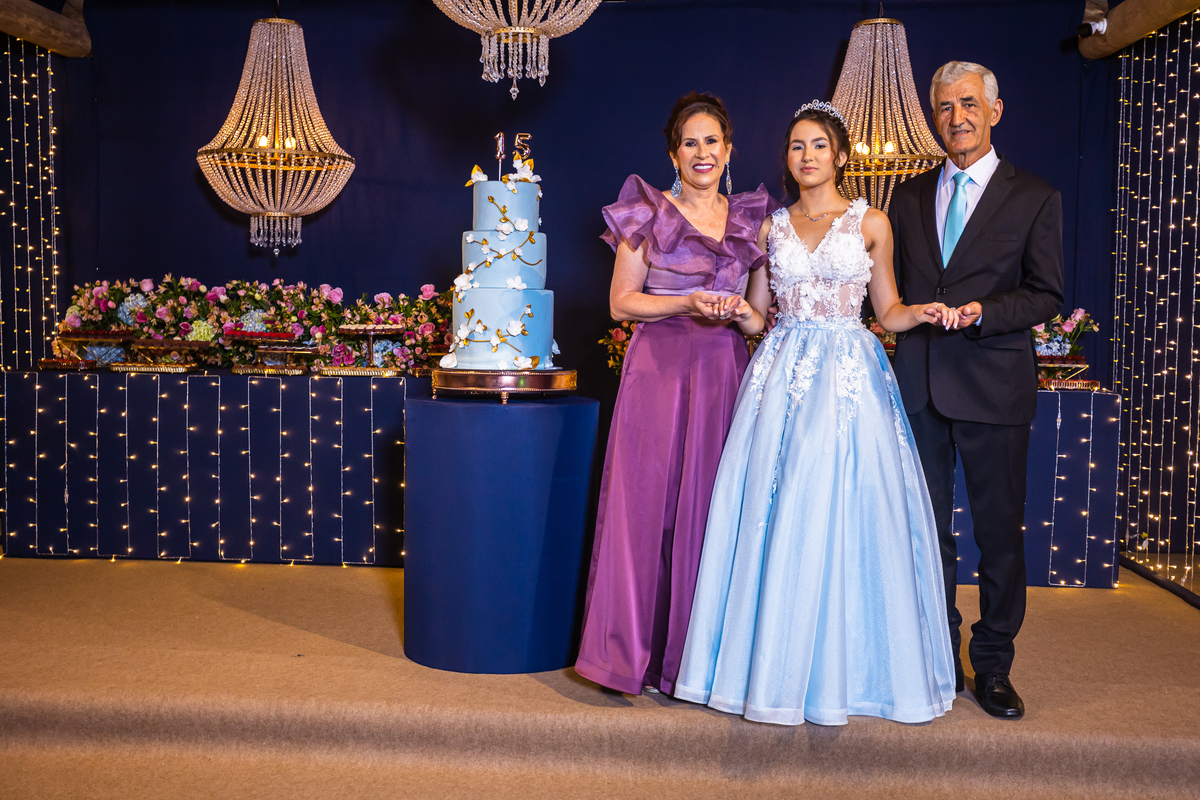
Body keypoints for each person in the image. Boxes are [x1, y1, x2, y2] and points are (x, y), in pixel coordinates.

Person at [673, 101, 958, 726]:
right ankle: (772, 666)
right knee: (779, 505)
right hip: (781, 371)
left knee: (851, 505)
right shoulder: (769, 227)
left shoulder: (871, 222)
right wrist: (722, 308)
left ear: (839, 154)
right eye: (797, 146)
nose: (807, 157)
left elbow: (886, 310)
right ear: (787, 159)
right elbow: (757, 312)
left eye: (819, 146)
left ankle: (855, 672)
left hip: (850, 373)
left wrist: (925, 313)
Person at [574, 92, 777, 696]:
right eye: (690, 142)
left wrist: (739, 310)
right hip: (658, 370)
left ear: (729, 149)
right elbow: (620, 303)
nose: (702, 152)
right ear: (674, 152)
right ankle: (628, 655)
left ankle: (692, 663)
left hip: (723, 371)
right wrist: (687, 302)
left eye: (712, 140)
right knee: (645, 510)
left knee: (711, 512)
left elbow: (759, 321)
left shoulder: (751, 220)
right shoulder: (647, 210)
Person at [888, 62, 1064, 719]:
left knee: (998, 538)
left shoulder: (1035, 197)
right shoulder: (904, 200)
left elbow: (1047, 292)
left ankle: (992, 667)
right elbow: (892, 294)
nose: (955, 117)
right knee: (926, 537)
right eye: (943, 107)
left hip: (994, 387)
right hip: (919, 389)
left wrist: (985, 313)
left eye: (968, 104)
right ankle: (940, 657)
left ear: (994, 110)